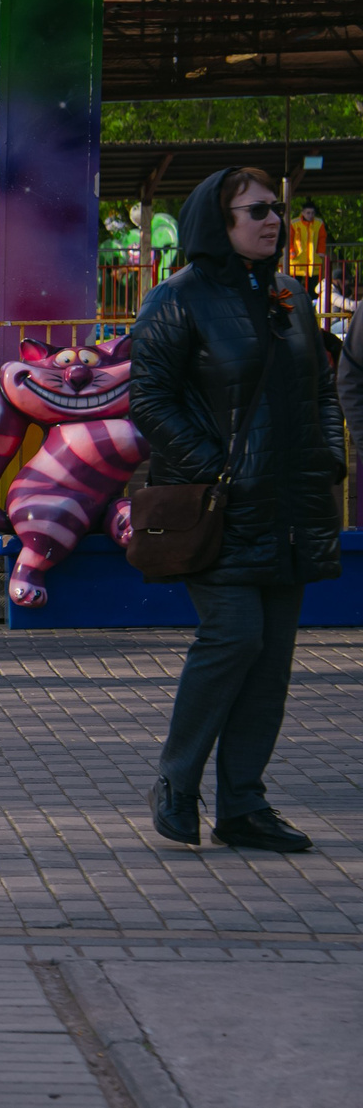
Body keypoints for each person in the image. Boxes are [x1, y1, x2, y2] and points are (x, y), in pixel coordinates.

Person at [140, 167, 344, 855]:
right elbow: (150, 399)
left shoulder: (291, 295)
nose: (274, 220)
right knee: (235, 637)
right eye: (257, 210)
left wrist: (328, 458)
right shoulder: (177, 298)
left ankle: (244, 806)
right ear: (218, 220)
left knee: (272, 659)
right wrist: (215, 466)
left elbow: (322, 390)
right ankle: (176, 782)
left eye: (276, 209)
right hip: (221, 507)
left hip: (291, 505)